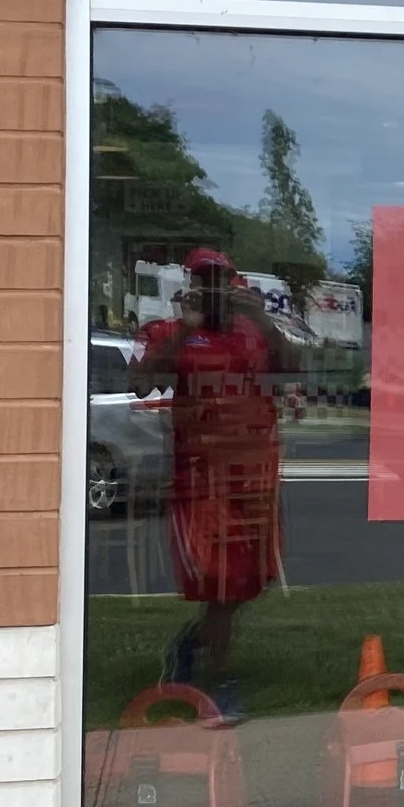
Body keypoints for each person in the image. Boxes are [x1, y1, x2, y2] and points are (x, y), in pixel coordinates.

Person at [131, 250, 297, 721]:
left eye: (220, 281)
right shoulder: (170, 331)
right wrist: (186, 327)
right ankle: (220, 684)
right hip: (203, 480)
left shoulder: (252, 333)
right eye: (204, 281)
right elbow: (141, 383)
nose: (214, 290)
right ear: (190, 285)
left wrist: (261, 319)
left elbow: (293, 365)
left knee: (248, 582)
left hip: (256, 476)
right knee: (220, 582)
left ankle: (191, 643)